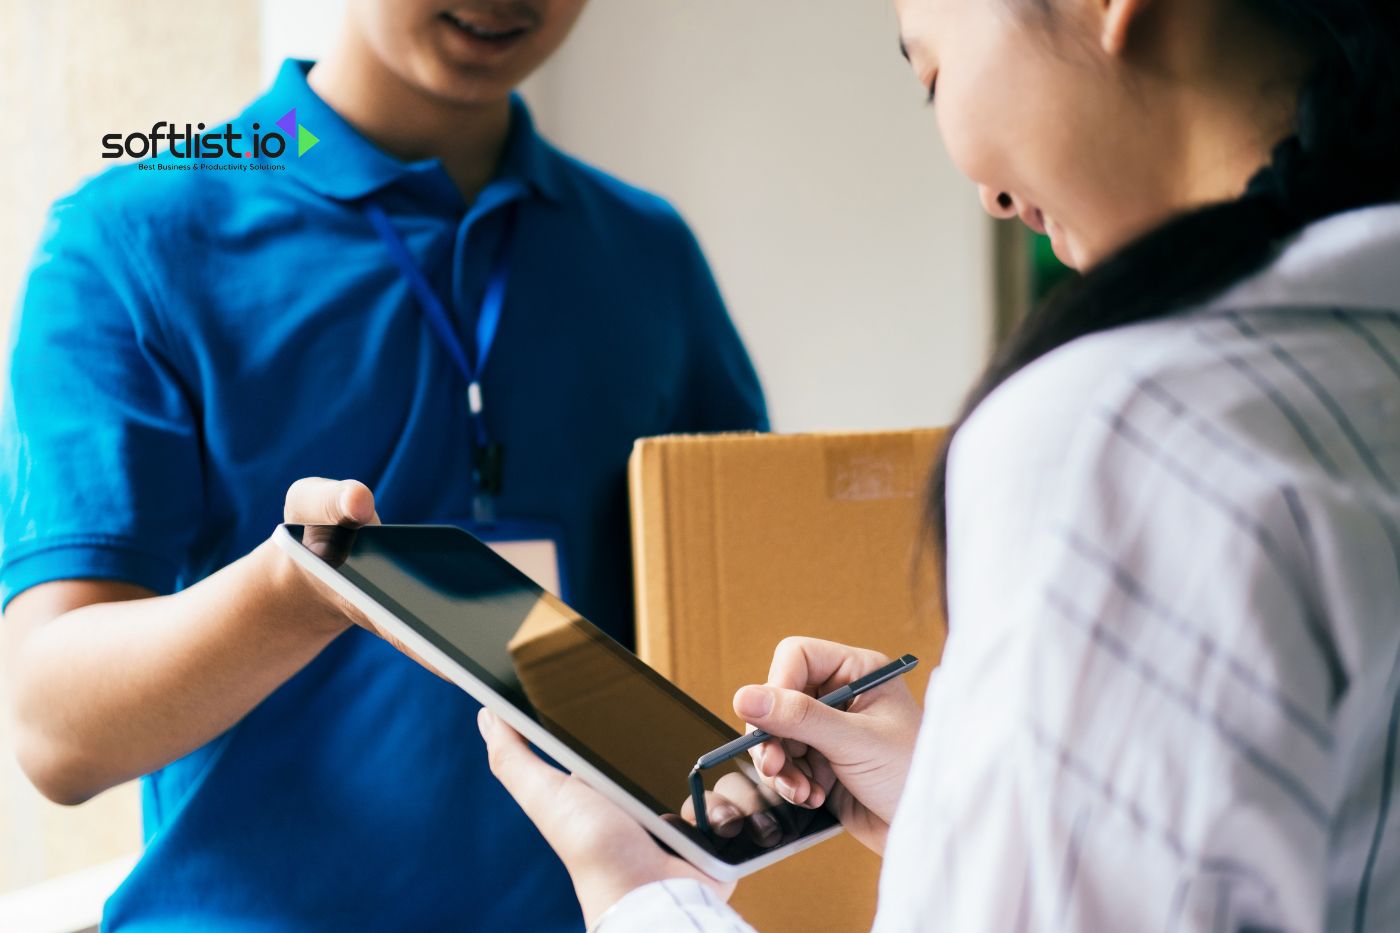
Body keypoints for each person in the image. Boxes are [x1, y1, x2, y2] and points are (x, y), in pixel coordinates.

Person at [469, 0, 1400, 928]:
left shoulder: (1116, 436)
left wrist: (642, 893)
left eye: (932, 77)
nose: (991, 197)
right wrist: (965, 808)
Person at [1, 1, 765, 929]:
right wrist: (292, 595)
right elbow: (56, 732)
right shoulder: (134, 236)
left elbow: (732, 615)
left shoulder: (647, 252)